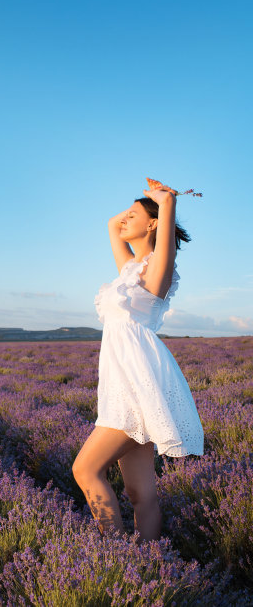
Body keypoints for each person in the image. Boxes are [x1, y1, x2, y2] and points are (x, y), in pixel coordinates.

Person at [72, 183, 204, 544]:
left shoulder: (157, 269)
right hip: (124, 384)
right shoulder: (130, 271)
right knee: (139, 492)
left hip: (137, 386)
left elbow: (163, 243)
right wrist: (134, 209)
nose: (124, 219)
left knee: (84, 469)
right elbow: (111, 226)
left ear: (152, 225)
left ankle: (114, 553)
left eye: (134, 215)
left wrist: (168, 201)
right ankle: (148, 562)